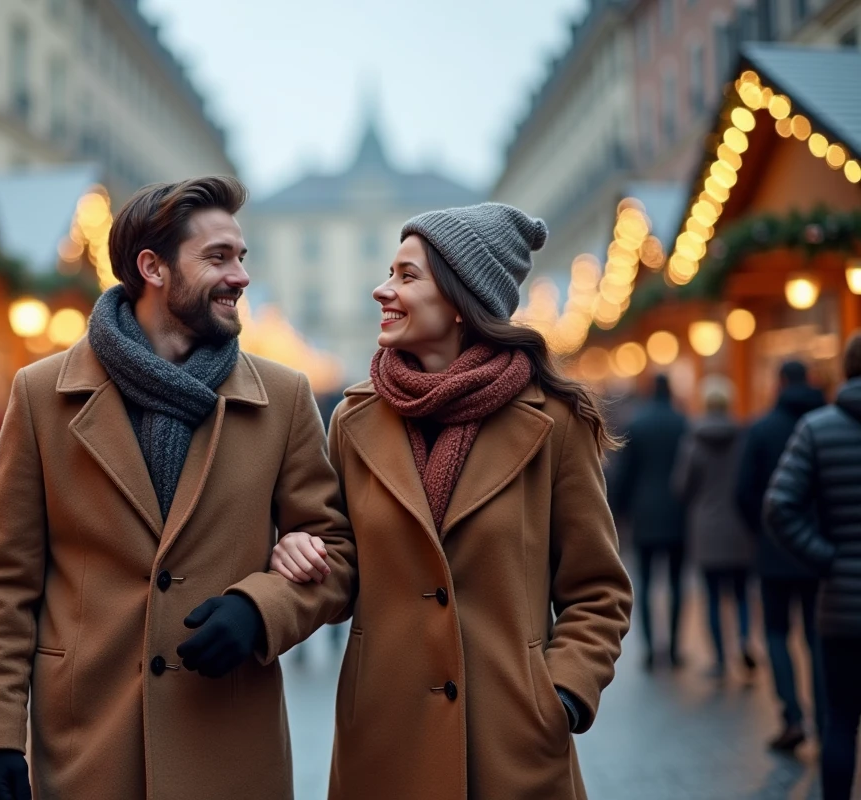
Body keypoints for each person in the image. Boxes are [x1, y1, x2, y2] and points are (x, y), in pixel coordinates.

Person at [0, 176, 355, 800]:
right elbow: (2, 580)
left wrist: (261, 610)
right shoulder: (40, 395)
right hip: (88, 742)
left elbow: (337, 555)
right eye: (217, 258)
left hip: (227, 743)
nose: (240, 276)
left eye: (241, 257)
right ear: (153, 268)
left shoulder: (284, 397)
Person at [270, 204, 632, 799]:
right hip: (385, 742)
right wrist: (301, 553)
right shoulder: (353, 420)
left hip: (512, 746)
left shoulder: (555, 421)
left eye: (407, 276)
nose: (382, 290)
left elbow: (598, 591)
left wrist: (561, 694)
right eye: (390, 272)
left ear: (462, 301)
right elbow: (341, 568)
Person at [766, 331, 861, 800]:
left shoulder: (819, 429)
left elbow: (779, 506)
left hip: (842, 605)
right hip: (838, 598)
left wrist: (826, 557)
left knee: (840, 722)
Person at [735, 360, 826, 750]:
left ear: (780, 381)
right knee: (816, 637)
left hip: (774, 551)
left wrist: (763, 530)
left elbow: (743, 491)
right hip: (821, 554)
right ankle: (827, 719)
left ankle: (792, 715)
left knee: (776, 633)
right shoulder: (829, 425)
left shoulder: (761, 428)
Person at [671, 376, 757, 679]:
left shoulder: (693, 440)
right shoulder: (744, 437)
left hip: (706, 529)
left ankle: (720, 660)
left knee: (712, 597)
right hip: (739, 528)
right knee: (742, 594)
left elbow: (681, 487)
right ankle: (745, 640)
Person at [613, 373, 688, 669]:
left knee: (644, 583)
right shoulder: (683, 423)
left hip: (644, 513)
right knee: (676, 583)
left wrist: (618, 511)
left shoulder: (637, 424)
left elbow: (624, 474)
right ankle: (673, 647)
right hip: (676, 512)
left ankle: (648, 648)